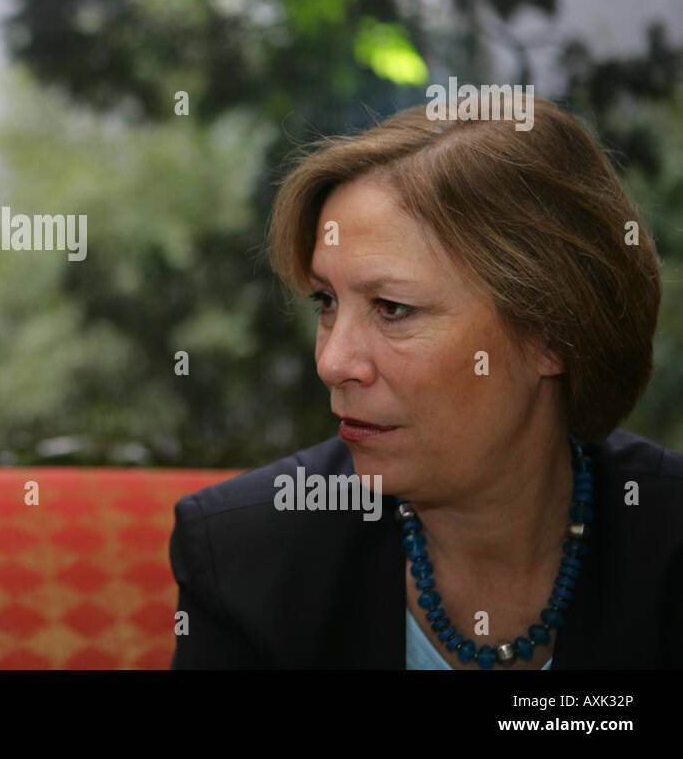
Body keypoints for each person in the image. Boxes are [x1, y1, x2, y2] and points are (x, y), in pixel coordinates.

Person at [170, 97, 683, 669]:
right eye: (326, 302)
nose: (333, 362)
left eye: (393, 308)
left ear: (553, 335)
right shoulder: (244, 554)